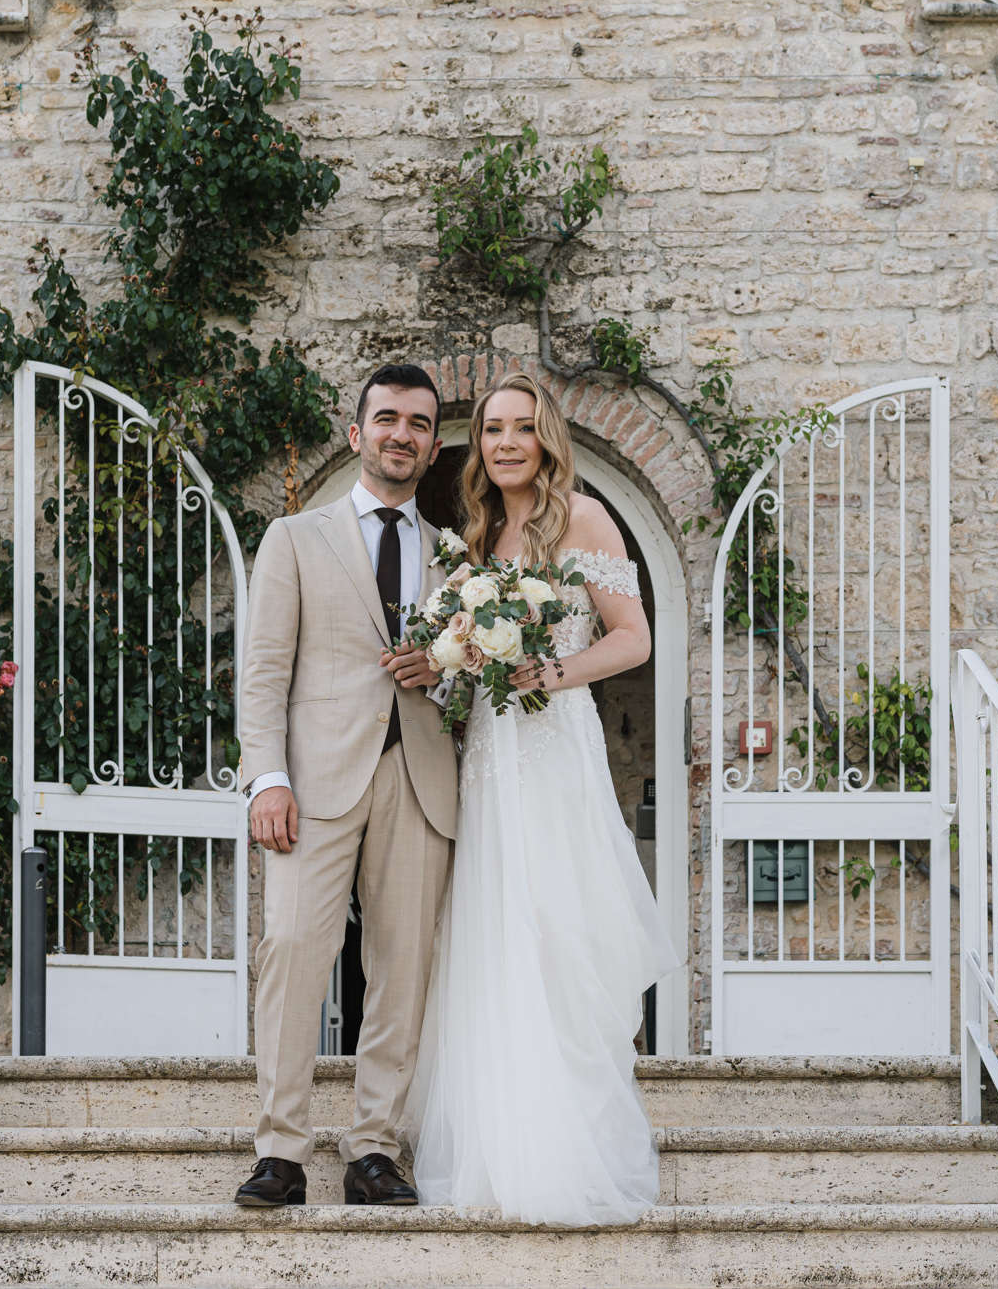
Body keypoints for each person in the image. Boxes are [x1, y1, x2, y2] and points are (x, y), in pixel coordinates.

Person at [404, 370, 680, 1226]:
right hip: (490, 754)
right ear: (479, 445)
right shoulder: (477, 533)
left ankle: (574, 1151)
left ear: (547, 438)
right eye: (493, 429)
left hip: (556, 748)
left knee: (560, 932)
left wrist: (552, 670)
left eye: (523, 427)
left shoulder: (583, 518)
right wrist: (444, 658)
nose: (507, 443)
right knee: (494, 936)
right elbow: (469, 654)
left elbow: (633, 638)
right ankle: (503, 1148)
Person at [234, 363, 458, 1208]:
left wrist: (442, 671)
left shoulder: (457, 557)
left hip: (422, 779)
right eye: (388, 418)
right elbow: (264, 670)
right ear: (359, 432)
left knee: (403, 965)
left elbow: (476, 686)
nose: (403, 434)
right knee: (293, 949)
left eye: (419, 423)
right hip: (315, 781)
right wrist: (267, 777)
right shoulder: (295, 538)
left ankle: (374, 1148)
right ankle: (280, 1151)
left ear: (432, 447)